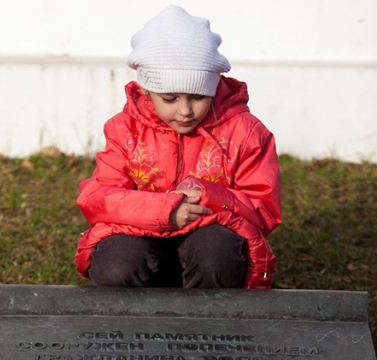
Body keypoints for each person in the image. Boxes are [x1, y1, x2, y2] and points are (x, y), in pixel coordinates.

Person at [76, 5, 282, 289]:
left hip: (211, 239)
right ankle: (138, 315)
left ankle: (209, 314)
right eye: (170, 99)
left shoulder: (246, 131)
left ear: (214, 87)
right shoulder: (124, 129)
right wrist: (167, 209)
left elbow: (263, 208)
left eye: (198, 96)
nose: (185, 111)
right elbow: (100, 198)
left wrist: (208, 198)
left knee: (215, 254)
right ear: (146, 90)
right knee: (116, 263)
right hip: (140, 233)